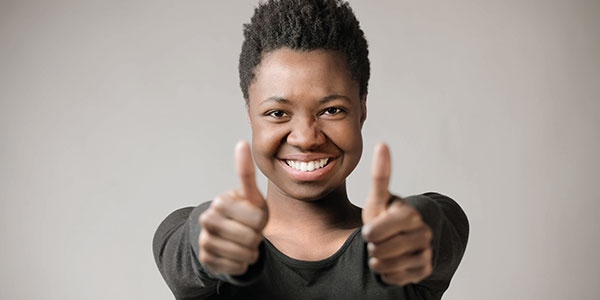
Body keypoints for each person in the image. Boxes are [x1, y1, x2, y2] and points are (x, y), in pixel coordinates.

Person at [152, 0, 469, 299]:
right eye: (278, 113)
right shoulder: (208, 248)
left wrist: (419, 228)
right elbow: (183, 252)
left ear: (362, 109)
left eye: (331, 110)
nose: (305, 138)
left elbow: (441, 223)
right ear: (250, 114)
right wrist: (206, 237)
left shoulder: (400, 245)